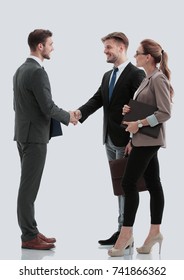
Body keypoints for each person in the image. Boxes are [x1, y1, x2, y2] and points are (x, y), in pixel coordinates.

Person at [74, 32, 145, 245]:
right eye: (105, 47)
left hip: (127, 139)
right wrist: (78, 113)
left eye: (108, 47)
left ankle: (126, 233)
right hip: (109, 138)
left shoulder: (136, 74)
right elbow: (98, 99)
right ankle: (122, 231)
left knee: (128, 186)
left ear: (121, 47)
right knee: (119, 186)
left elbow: (141, 107)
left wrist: (134, 138)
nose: (105, 51)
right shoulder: (107, 75)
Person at [13, 29, 78, 250]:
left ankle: (31, 230)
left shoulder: (20, 70)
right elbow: (47, 106)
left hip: (23, 135)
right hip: (35, 138)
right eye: (50, 44)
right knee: (28, 189)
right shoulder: (37, 72)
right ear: (40, 46)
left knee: (27, 187)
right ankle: (28, 236)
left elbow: (19, 106)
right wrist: (69, 117)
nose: (52, 47)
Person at [108, 39, 173, 257]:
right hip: (140, 139)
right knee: (154, 183)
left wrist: (140, 124)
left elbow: (165, 113)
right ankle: (154, 233)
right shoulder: (147, 79)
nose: (134, 56)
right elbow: (146, 108)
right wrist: (130, 111)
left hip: (150, 140)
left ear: (148, 57)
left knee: (128, 182)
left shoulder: (159, 79)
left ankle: (126, 234)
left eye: (137, 53)